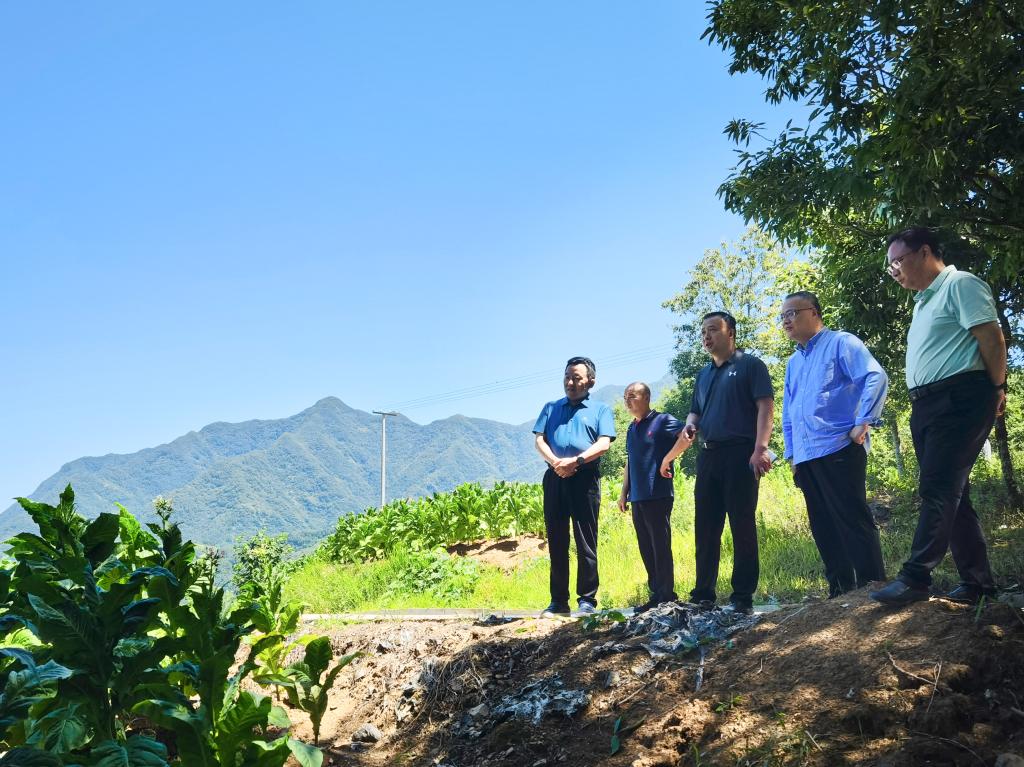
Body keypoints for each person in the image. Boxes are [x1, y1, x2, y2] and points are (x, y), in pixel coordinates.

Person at [871, 227, 1008, 607]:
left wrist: (997, 388)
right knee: (953, 494)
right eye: (890, 266)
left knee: (937, 486)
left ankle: (915, 577)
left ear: (925, 252)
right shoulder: (922, 303)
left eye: (899, 261)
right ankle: (978, 584)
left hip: (960, 395)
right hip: (927, 404)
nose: (895, 271)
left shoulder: (960, 284)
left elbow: (992, 338)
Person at [780, 291, 889, 598]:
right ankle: (840, 591)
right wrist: (792, 455)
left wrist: (863, 421)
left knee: (852, 519)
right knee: (823, 526)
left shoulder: (841, 342)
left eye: (792, 313)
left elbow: (875, 377)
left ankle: (871, 587)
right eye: (782, 316)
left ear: (814, 312)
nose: (786, 320)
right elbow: (789, 412)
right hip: (806, 456)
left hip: (838, 447)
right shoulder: (793, 362)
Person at [680, 312, 774, 614]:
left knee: (742, 524)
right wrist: (690, 424)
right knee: (706, 527)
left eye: (713, 330)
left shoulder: (750, 365)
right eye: (703, 332)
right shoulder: (703, 374)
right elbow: (695, 411)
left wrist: (760, 449)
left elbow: (765, 407)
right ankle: (703, 594)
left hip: (741, 453)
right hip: (708, 455)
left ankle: (742, 596)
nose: (706, 337)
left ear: (730, 332)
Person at [533, 356, 616, 616]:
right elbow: (539, 440)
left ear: (590, 381)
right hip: (555, 477)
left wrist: (576, 461)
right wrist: (556, 462)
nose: (570, 382)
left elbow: (604, 443)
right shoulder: (550, 407)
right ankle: (558, 601)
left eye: (577, 378)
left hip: (584, 479)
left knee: (586, 540)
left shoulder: (601, 409)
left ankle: (587, 600)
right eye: (567, 377)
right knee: (557, 540)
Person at [617, 382, 693, 612]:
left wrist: (667, 459)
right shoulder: (631, 428)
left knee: (660, 546)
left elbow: (687, 435)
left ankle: (667, 596)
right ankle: (656, 595)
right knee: (646, 548)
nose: (628, 401)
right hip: (637, 497)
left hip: (658, 494)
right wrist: (623, 493)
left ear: (647, 397)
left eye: (632, 396)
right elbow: (630, 461)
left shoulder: (662, 420)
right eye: (625, 397)